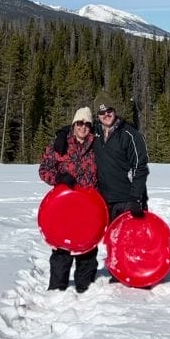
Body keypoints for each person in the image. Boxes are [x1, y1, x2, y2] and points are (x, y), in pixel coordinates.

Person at [38, 106, 100, 293]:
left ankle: (85, 289)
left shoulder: (98, 145)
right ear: (74, 124)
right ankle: (57, 289)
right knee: (61, 248)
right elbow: (44, 170)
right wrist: (58, 178)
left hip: (89, 206)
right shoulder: (60, 144)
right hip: (64, 206)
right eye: (80, 123)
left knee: (88, 248)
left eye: (87, 124)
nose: (83, 127)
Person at [93, 102, 149, 222]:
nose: (106, 115)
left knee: (128, 238)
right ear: (98, 116)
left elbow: (140, 167)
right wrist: (62, 133)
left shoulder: (129, 134)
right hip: (104, 200)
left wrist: (136, 198)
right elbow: (77, 128)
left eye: (109, 111)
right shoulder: (95, 132)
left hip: (127, 200)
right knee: (107, 239)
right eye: (102, 112)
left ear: (115, 111)